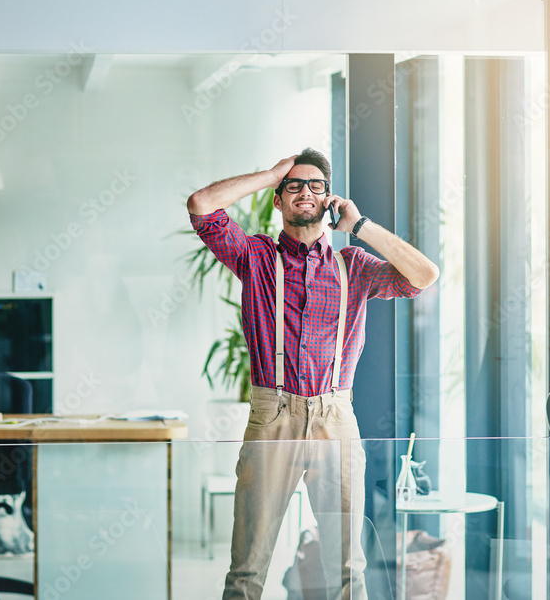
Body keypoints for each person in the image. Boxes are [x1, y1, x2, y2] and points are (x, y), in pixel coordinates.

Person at [187, 147, 439, 600]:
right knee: (246, 571)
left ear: (330, 199)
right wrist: (269, 174)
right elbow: (202, 206)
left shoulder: (354, 266)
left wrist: (360, 227)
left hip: (335, 417)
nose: (305, 191)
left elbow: (423, 275)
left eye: (315, 185)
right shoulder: (256, 257)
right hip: (272, 415)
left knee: (347, 570)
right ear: (279, 199)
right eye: (294, 185)